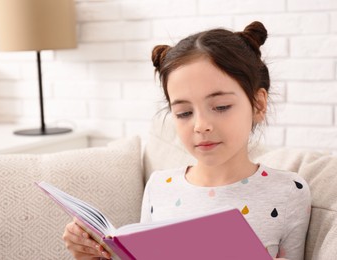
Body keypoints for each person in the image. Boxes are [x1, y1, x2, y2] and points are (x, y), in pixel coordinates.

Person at [62, 21, 311, 260]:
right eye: (184, 113)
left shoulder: (289, 192)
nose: (201, 126)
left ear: (258, 104)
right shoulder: (159, 186)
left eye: (221, 106)